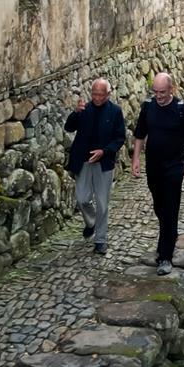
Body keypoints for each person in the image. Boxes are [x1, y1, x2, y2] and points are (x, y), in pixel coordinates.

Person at [131, 72, 184, 275]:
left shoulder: (181, 109)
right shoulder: (148, 107)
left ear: (172, 89)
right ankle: (170, 234)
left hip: (175, 166)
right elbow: (140, 135)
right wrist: (136, 159)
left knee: (170, 208)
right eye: (155, 92)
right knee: (159, 206)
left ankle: (165, 256)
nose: (159, 96)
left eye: (162, 92)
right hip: (154, 165)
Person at [64, 78, 127, 255]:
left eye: (101, 94)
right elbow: (69, 127)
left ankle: (100, 240)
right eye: (94, 94)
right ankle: (91, 222)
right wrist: (75, 113)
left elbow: (119, 138)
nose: (97, 98)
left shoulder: (115, 111)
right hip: (82, 160)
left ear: (108, 94)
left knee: (102, 203)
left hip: (103, 163)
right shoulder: (84, 109)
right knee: (82, 199)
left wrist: (104, 151)